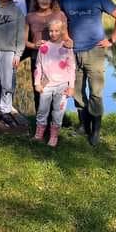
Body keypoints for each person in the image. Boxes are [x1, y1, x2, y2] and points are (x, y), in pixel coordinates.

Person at [59, 0, 116, 146]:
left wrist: (112, 40)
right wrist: (63, 37)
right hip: (72, 53)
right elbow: (55, 18)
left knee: (95, 92)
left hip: (95, 51)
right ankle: (83, 125)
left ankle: (95, 131)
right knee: (77, 92)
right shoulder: (65, 0)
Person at [25, 0, 69, 112]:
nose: (44, 1)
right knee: (39, 91)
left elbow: (66, 38)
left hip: (57, 60)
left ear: (52, 0)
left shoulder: (60, 15)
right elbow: (24, 41)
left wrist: (69, 45)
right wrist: (34, 45)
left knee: (57, 93)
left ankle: (55, 121)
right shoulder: (30, 17)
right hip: (38, 59)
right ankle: (41, 121)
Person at [32, 19, 75, 147]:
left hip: (62, 85)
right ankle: (39, 134)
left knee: (58, 111)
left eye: (56, 31)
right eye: (51, 31)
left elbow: (71, 68)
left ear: (61, 31)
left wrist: (71, 87)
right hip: (46, 85)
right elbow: (38, 66)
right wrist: (37, 83)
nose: (53, 33)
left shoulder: (66, 47)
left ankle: (53, 136)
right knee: (42, 110)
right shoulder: (44, 47)